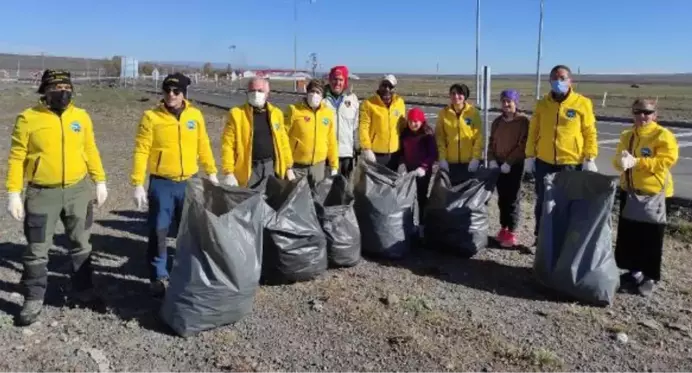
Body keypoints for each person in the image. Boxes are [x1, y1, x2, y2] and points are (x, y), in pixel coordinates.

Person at [5, 69, 108, 326]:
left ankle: (83, 291)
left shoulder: (81, 117)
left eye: (66, 87)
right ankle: (33, 298)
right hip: (42, 193)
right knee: (37, 248)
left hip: (78, 191)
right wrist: (13, 193)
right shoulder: (28, 118)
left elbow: (90, 148)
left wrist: (100, 180)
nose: (63, 92)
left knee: (81, 243)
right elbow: (17, 157)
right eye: (56, 88)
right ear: (45, 90)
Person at [130, 72, 218, 297]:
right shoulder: (151, 117)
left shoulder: (195, 116)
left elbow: (203, 145)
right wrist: (137, 183)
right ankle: (158, 275)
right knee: (159, 230)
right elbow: (141, 151)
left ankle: (183, 270)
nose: (171, 95)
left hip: (189, 182)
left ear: (184, 93)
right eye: (167, 90)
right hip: (162, 184)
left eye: (176, 91)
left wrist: (212, 172)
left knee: (187, 230)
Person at [524, 64, 598, 242]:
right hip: (544, 162)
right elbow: (534, 130)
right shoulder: (542, 104)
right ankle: (541, 238)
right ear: (550, 81)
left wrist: (590, 156)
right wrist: (529, 155)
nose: (559, 81)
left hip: (570, 162)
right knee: (543, 201)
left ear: (570, 80)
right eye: (555, 78)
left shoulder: (582, 103)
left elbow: (589, 131)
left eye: (562, 78)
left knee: (568, 202)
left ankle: (565, 240)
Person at [613, 99, 678, 297]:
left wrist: (638, 162)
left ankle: (649, 277)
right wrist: (621, 162)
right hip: (630, 191)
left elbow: (667, 160)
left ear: (654, 115)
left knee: (651, 238)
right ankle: (634, 272)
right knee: (630, 235)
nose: (642, 116)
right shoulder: (627, 135)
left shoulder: (662, 135)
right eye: (638, 112)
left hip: (654, 194)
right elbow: (617, 158)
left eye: (647, 112)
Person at [221, 77, 295, 188]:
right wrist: (229, 172)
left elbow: (283, 142)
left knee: (271, 201)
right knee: (250, 202)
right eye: (252, 90)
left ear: (267, 93)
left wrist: (288, 167)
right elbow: (227, 145)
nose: (256, 94)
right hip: (249, 169)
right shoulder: (236, 114)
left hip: (272, 167)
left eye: (260, 91)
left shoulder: (276, 113)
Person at [487, 89, 530, 248]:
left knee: (512, 198)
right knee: (502, 198)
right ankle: (503, 227)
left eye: (509, 101)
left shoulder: (523, 122)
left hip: (514, 166)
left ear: (515, 102)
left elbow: (523, 145)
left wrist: (509, 162)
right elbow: (491, 143)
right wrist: (491, 160)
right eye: (503, 101)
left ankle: (512, 231)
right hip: (498, 164)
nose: (505, 104)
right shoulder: (497, 122)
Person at [284, 79, 338, 184]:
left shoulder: (328, 113)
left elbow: (331, 141)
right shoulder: (293, 110)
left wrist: (334, 165)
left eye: (318, 92)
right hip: (297, 167)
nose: (314, 95)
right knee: (297, 198)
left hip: (318, 167)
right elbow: (283, 139)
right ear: (307, 92)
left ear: (322, 96)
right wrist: (287, 167)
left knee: (316, 197)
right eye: (312, 91)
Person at [394, 107, 437, 238]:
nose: (414, 124)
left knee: (421, 197)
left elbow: (432, 154)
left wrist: (424, 167)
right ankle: (409, 224)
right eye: (411, 121)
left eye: (417, 121)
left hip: (422, 172)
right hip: (409, 171)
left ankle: (422, 226)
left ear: (422, 121)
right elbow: (401, 152)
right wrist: (401, 165)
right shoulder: (405, 135)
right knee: (408, 198)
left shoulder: (427, 135)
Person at [435, 83, 483, 186]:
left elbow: (478, 137)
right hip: (450, 164)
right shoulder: (443, 113)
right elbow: (440, 138)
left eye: (460, 93)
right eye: (453, 93)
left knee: (467, 195)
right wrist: (442, 158)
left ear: (465, 96)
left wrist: (475, 158)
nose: (456, 96)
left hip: (469, 163)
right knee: (452, 195)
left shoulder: (473, 113)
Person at [359, 74, 406, 171]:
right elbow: (363, 127)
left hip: (395, 153)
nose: (387, 89)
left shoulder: (400, 103)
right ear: (379, 86)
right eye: (384, 85)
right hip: (376, 154)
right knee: (375, 185)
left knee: (392, 184)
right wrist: (366, 148)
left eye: (390, 86)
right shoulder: (368, 103)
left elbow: (402, 126)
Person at [323, 66, 360, 177]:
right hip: (326, 155)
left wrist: (357, 149)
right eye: (334, 79)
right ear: (329, 80)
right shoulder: (321, 100)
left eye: (340, 79)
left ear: (345, 81)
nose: (337, 83)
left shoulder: (352, 99)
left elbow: (355, 127)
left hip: (347, 155)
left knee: (345, 189)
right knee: (327, 190)